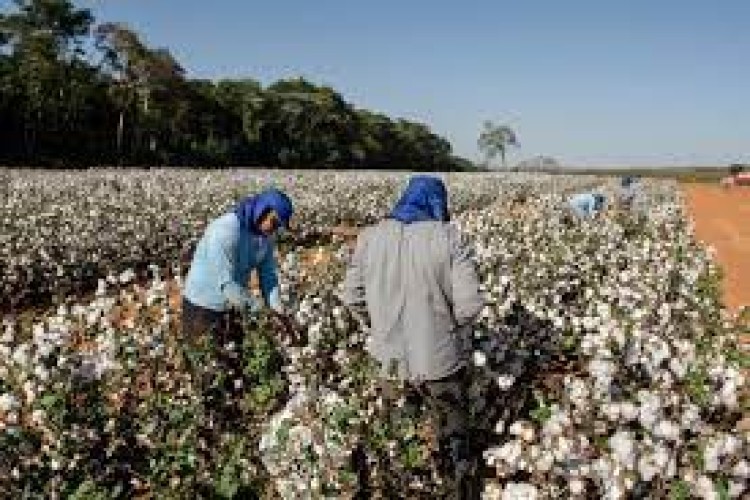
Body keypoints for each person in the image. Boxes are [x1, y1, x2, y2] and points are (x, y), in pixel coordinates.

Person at [342, 176, 484, 499]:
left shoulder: (370, 238)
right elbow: (470, 305)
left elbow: (352, 297)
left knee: (399, 438)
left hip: (389, 363)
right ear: (438, 203)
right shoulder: (448, 237)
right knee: (452, 437)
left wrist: (378, 325)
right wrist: (447, 329)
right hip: (440, 362)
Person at [182, 188, 294, 339]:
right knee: (205, 353)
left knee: (236, 351)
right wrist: (262, 313)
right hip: (202, 307)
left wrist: (278, 311)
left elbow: (268, 277)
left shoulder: (264, 237)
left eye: (278, 226)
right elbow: (227, 284)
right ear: (262, 211)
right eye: (274, 222)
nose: (274, 229)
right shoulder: (226, 231)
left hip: (235, 304)